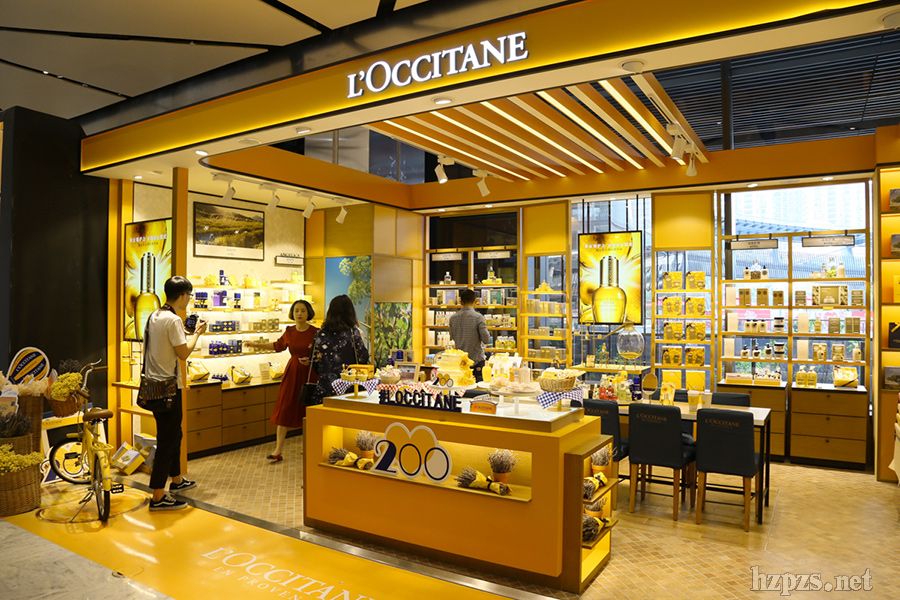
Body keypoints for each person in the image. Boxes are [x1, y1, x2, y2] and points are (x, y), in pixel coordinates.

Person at [144, 275, 207, 511]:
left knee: (173, 434)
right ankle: (158, 495)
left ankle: (177, 479)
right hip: (169, 388)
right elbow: (183, 353)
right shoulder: (173, 320)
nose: (189, 299)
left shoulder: (154, 316)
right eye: (189, 295)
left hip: (154, 385)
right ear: (182, 295)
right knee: (168, 439)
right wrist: (197, 333)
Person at [246, 299, 318, 463]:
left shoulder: (316, 332)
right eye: (296, 310)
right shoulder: (289, 331)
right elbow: (277, 346)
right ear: (292, 313)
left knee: (309, 410)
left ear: (308, 313)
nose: (299, 313)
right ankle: (278, 450)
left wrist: (312, 361)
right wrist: (255, 344)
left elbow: (321, 354)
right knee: (285, 407)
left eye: (303, 310)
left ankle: (309, 447)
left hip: (310, 374)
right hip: (292, 372)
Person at [312, 295, 369, 399]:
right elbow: (363, 358)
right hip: (348, 386)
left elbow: (314, 362)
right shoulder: (353, 333)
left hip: (325, 386)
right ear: (350, 312)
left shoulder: (320, 334)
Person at [449, 288, 490, 381]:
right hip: (476, 361)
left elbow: (452, 337)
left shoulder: (453, 318)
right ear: (475, 301)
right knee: (477, 388)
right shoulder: (478, 317)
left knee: (460, 387)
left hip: (460, 362)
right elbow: (486, 340)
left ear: (461, 301)